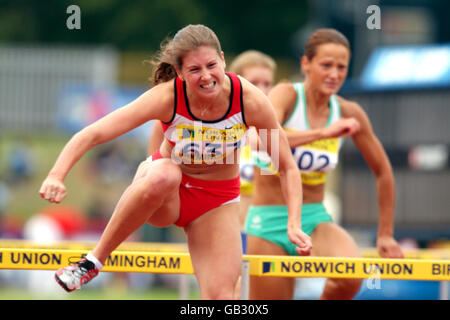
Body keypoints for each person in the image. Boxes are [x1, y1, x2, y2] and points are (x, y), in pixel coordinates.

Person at [39, 24, 312, 300]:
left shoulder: (250, 101)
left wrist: (294, 222)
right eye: (195, 70)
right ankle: (92, 262)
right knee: (166, 174)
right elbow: (94, 132)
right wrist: (56, 174)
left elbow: (286, 166)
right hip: (168, 194)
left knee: (222, 299)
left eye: (211, 65)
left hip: (215, 202)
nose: (206, 77)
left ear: (223, 59)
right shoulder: (168, 97)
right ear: (180, 73)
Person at [245, 28, 404, 300]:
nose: (334, 74)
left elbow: (383, 171)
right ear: (306, 64)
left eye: (342, 67)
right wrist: (321, 134)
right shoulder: (286, 95)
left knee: (351, 275)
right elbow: (261, 140)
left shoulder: (349, 112)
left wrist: (386, 233)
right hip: (268, 221)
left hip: (314, 218)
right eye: (326, 65)